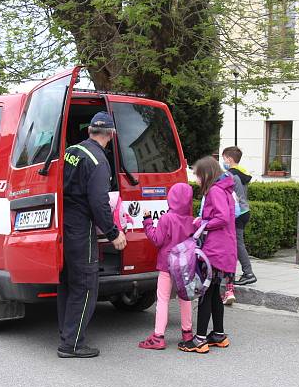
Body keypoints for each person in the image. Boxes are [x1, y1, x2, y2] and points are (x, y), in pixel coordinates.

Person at [57, 111, 127, 358]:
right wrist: (113, 232)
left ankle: (67, 333)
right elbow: (99, 202)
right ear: (110, 135)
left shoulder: (70, 152)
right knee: (86, 285)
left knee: (68, 282)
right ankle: (72, 344)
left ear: (89, 131)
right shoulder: (98, 160)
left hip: (62, 223)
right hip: (80, 227)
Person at [179, 156, 237, 353]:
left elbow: (222, 217)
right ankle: (218, 335)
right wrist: (204, 220)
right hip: (224, 248)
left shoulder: (214, 191)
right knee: (214, 295)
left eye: (197, 175)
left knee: (205, 293)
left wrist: (202, 224)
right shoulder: (225, 189)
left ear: (206, 174)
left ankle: (200, 339)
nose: (196, 180)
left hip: (215, 250)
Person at [138, 183, 196, 350]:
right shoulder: (191, 220)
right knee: (185, 299)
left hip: (167, 265)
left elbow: (157, 239)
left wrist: (147, 222)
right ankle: (187, 333)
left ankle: (158, 336)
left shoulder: (167, 218)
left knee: (162, 300)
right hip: (185, 265)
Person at [220, 147, 257, 307]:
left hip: (237, 212)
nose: (223, 162)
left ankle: (248, 273)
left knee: (236, 243)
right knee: (236, 243)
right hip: (244, 210)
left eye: (223, 158)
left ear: (228, 159)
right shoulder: (242, 173)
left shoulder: (230, 175)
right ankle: (233, 272)